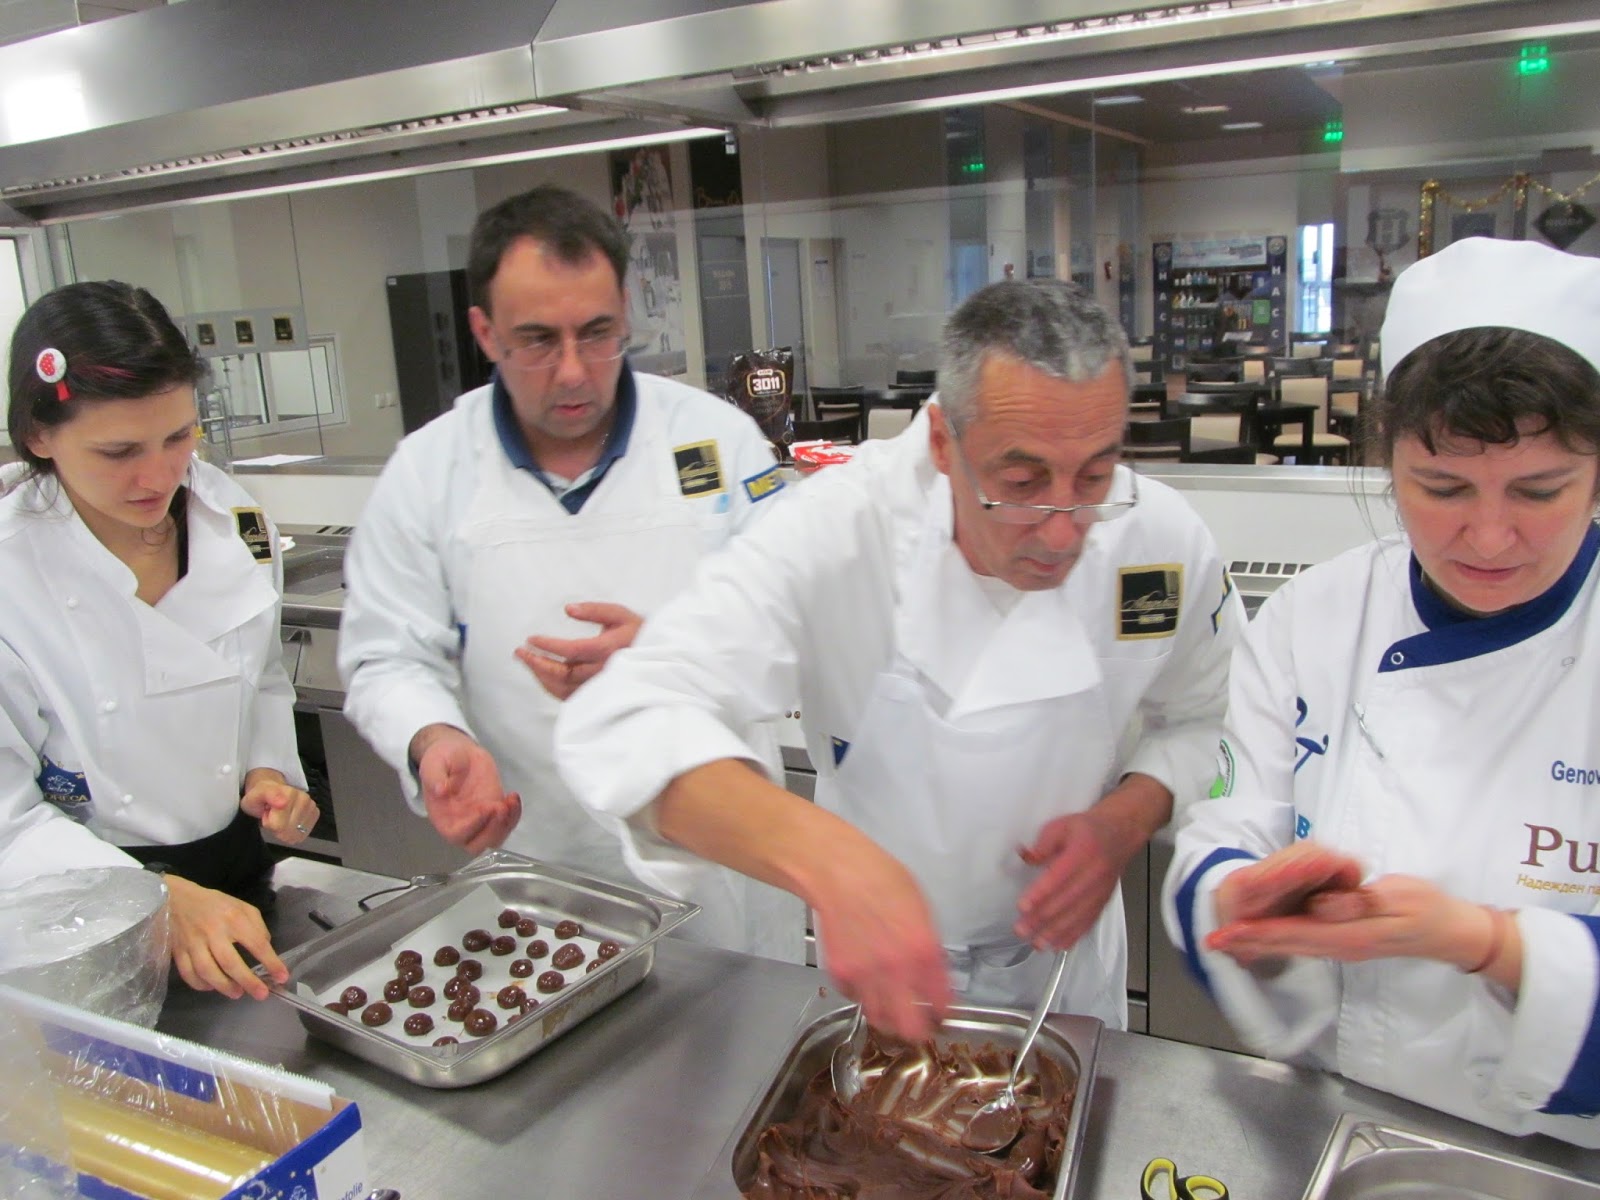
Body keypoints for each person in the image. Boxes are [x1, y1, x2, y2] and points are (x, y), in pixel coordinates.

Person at [557, 280, 1242, 1040]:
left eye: (1093, 478)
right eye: (1020, 484)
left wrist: (1124, 820)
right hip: (878, 978)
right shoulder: (841, 528)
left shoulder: (1160, 541)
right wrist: (829, 862)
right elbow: (627, 715)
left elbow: (1212, 719)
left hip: (1066, 979)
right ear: (944, 443)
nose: (1062, 530)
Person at [1162, 237, 1600, 1147]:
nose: (1489, 535)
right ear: (1386, 458)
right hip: (1338, 1123)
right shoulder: (1314, 619)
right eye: (1441, 487)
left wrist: (1489, 944)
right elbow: (1224, 832)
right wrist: (1239, 903)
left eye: (1539, 491)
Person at [338, 185, 801, 961]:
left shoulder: (720, 442)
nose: (575, 372)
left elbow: (795, 616)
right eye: (537, 341)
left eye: (597, 333)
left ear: (625, 314)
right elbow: (386, 654)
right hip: (542, 868)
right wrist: (434, 738)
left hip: (721, 865)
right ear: (484, 332)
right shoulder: (429, 471)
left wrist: (667, 655)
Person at [0, 281, 317, 1001]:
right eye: (118, 451)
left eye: (179, 437)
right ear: (39, 436)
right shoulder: (11, 573)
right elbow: (7, 821)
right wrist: (157, 897)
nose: (160, 476)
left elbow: (262, 674)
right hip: (83, 905)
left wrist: (268, 773)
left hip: (237, 880)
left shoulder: (237, 520)